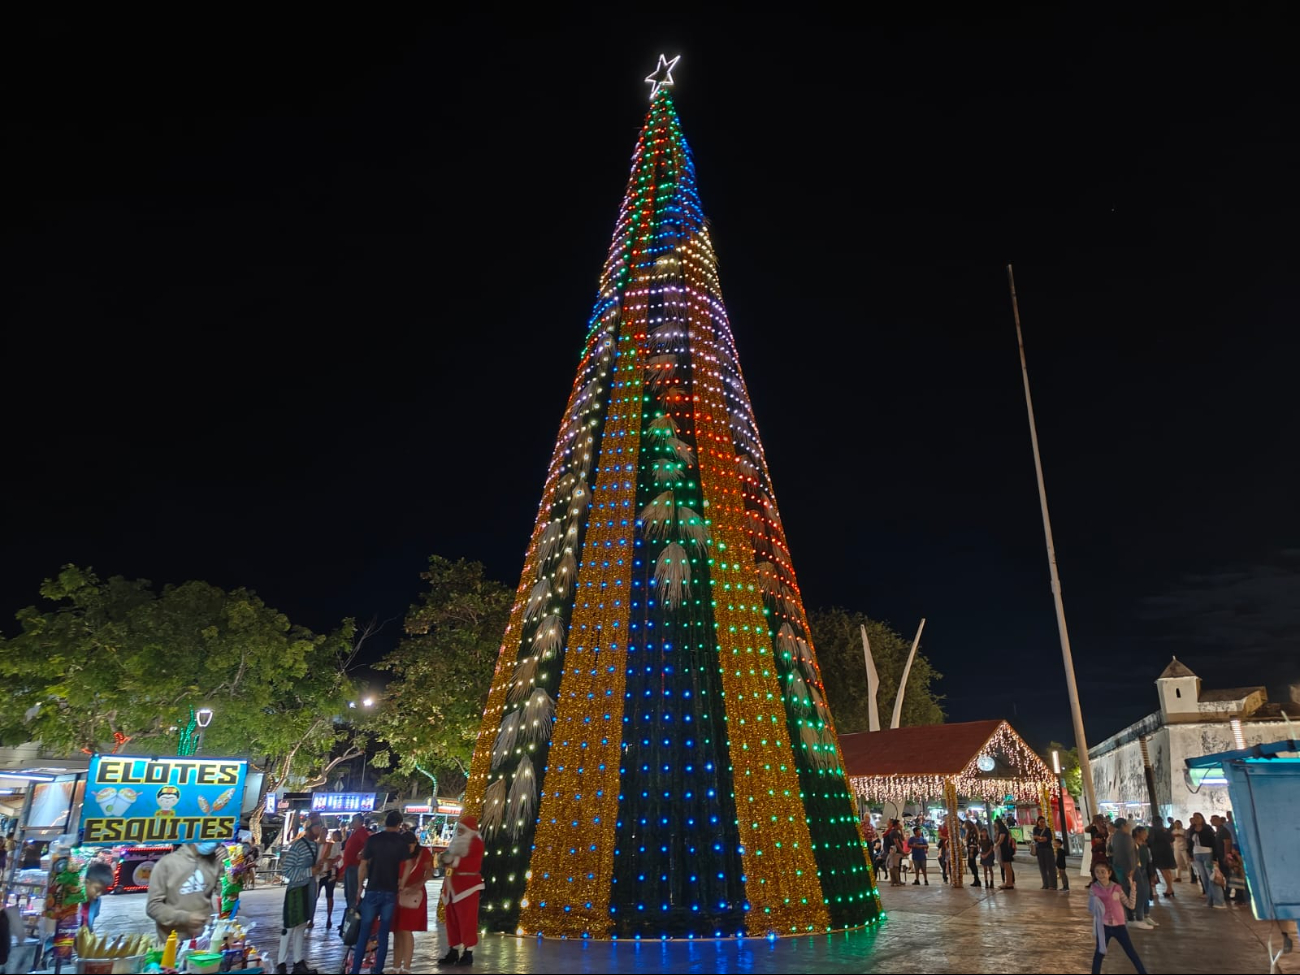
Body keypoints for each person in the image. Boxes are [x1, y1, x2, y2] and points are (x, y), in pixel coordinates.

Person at [350, 810, 412, 975]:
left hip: (372, 889)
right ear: (399, 825)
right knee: (383, 934)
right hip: (389, 892)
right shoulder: (401, 842)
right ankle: (378, 970)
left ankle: (355, 969)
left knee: (364, 931)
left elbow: (362, 865)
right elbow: (409, 865)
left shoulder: (373, 839)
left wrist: (359, 887)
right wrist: (402, 883)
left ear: (386, 822)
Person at [146, 840, 223, 944]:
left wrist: (229, 865)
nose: (214, 842)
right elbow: (153, 906)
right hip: (172, 944)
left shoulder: (216, 862)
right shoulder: (166, 864)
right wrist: (184, 918)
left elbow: (227, 895)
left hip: (204, 942)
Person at [277, 811, 324, 975]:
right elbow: (287, 870)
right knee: (289, 926)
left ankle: (298, 962)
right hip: (296, 890)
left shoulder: (315, 846)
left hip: (309, 889)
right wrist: (309, 871)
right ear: (311, 828)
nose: (320, 829)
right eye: (318, 825)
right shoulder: (298, 845)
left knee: (302, 926)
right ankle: (281, 964)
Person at [437, 815, 485, 968]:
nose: (459, 832)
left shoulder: (476, 843)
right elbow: (448, 857)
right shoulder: (456, 843)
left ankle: (468, 952)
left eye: (462, 830)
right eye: (458, 829)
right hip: (452, 886)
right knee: (451, 920)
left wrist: (453, 860)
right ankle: (453, 949)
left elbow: (473, 864)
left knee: (467, 920)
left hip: (468, 887)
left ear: (470, 831)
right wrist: (444, 859)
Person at [1089, 862, 1148, 975]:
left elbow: (1131, 905)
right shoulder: (1094, 888)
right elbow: (1091, 908)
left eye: (1103, 872)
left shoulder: (1117, 888)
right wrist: (1094, 903)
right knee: (1099, 954)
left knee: (1131, 952)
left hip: (1119, 926)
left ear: (1109, 873)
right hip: (1103, 926)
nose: (1100, 875)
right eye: (1097, 872)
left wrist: (1133, 890)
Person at [392, 827, 435, 974]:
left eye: (409, 846)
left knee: (405, 929)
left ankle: (407, 968)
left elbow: (429, 872)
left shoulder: (424, 853)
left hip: (414, 895)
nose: (407, 849)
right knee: (397, 931)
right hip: (398, 893)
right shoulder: (399, 854)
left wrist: (418, 885)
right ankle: (395, 967)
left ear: (415, 843)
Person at [1187, 812, 1226, 909]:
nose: (1196, 819)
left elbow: (1213, 843)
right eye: (1194, 817)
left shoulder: (1207, 829)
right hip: (1197, 855)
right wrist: (1190, 855)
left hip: (1207, 854)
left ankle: (1219, 901)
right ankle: (1210, 900)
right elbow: (1190, 843)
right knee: (1204, 878)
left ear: (1202, 818)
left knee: (1212, 877)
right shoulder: (1192, 830)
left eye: (1198, 817)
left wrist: (1214, 858)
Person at [340, 813, 369, 920]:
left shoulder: (362, 832)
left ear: (361, 822)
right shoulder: (354, 832)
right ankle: (350, 915)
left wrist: (361, 853)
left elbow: (368, 844)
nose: (352, 822)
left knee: (352, 893)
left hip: (354, 867)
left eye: (354, 820)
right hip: (349, 866)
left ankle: (353, 916)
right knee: (348, 892)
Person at [1109, 819, 1137, 920]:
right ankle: (1130, 915)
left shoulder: (1114, 836)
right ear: (1123, 826)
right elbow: (1130, 853)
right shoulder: (1126, 837)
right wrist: (1132, 867)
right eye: (1127, 825)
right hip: (1126, 867)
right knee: (1128, 890)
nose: (1129, 826)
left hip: (1117, 866)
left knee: (1122, 889)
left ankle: (1127, 914)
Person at [318, 829, 344, 931]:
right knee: (316, 896)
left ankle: (328, 917)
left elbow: (338, 857)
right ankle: (311, 919)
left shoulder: (333, 845)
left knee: (329, 895)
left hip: (328, 872)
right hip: (320, 873)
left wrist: (329, 861)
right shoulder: (318, 845)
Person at [79, 861, 116, 931]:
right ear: (86, 882)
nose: (99, 894)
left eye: (103, 891)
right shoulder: (73, 898)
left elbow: (90, 924)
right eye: (97, 889)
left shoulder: (97, 901)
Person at [1130, 827, 1155, 929]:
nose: (1146, 835)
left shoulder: (1145, 847)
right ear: (1138, 833)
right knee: (1139, 894)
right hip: (1136, 872)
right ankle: (1138, 917)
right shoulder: (1132, 846)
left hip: (1144, 871)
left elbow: (1149, 861)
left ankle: (1146, 915)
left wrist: (1152, 874)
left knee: (1145, 893)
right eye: (1144, 833)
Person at [1148, 820, 1176, 898]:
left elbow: (1151, 840)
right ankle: (1170, 888)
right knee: (1168, 871)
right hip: (1167, 851)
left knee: (1164, 871)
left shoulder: (1152, 830)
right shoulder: (1165, 829)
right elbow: (1172, 839)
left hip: (1158, 852)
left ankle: (1169, 889)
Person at [1032, 816, 1056, 890]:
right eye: (1041, 822)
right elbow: (1035, 839)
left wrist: (1039, 838)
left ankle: (1052, 885)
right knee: (1042, 867)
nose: (1042, 823)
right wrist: (1040, 838)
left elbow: (1047, 839)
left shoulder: (1048, 830)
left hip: (1047, 849)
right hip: (1039, 850)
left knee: (1050, 867)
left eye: (1043, 822)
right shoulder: (1035, 829)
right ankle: (1045, 884)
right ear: (1038, 822)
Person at [994, 817, 1016, 889]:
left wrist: (995, 846)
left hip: (1005, 850)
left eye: (995, 824)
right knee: (1007, 867)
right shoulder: (1003, 830)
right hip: (1005, 850)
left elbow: (1001, 840)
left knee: (1007, 867)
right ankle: (1008, 882)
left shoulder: (1003, 831)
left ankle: (1009, 883)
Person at [1171, 819, 1191, 883]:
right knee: (1177, 862)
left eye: (1178, 824)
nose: (1177, 825)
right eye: (1175, 824)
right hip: (1176, 847)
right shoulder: (1173, 831)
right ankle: (1178, 876)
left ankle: (1191, 876)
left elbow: (1187, 837)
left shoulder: (1184, 831)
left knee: (1187, 862)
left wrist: (1181, 836)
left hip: (1183, 847)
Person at [965, 818, 982, 887]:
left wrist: (971, 852)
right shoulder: (973, 831)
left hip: (973, 850)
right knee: (972, 864)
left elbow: (972, 842)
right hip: (973, 849)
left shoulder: (972, 832)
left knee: (971, 864)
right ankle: (976, 879)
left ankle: (977, 879)